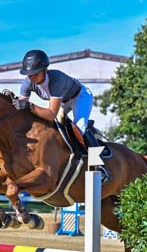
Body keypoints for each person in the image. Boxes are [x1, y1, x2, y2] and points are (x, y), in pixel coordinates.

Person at [12, 49, 110, 180]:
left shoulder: (57, 79)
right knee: (51, 127)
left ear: (45, 70)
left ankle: (100, 166)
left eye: (35, 73)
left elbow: (51, 113)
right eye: (29, 74)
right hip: (63, 101)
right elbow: (22, 108)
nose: (31, 77)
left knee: (79, 126)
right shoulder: (27, 83)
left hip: (80, 97)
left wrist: (30, 106)